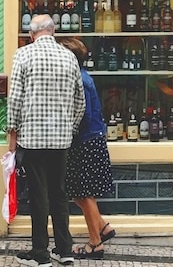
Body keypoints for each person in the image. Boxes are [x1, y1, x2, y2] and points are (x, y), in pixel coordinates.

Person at [7, 14, 85, 267]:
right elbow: (79, 102)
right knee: (59, 195)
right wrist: (68, 129)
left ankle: (40, 254)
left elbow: (15, 99)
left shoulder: (23, 55)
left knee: (39, 197)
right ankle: (65, 250)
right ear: (53, 31)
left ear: (32, 34)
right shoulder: (69, 57)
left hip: (32, 140)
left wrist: (12, 133)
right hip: (61, 141)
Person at [62, 38, 115, 260]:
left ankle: (95, 243)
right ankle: (103, 227)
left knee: (83, 194)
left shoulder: (80, 81)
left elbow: (82, 115)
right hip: (91, 138)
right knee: (79, 193)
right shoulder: (83, 77)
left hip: (85, 140)